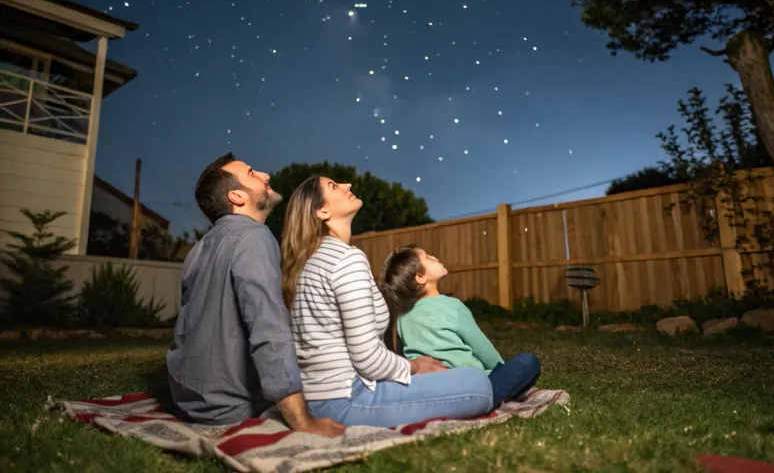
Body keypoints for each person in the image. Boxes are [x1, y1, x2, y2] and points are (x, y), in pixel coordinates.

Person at [281, 176, 494, 428]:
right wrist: (414, 366)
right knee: (478, 385)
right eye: (335, 187)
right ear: (322, 211)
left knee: (456, 378)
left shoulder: (314, 259)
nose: (348, 185)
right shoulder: (346, 260)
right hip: (347, 400)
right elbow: (367, 358)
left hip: (319, 398)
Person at [166, 153, 343, 437]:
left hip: (191, 401)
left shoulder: (198, 249)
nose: (265, 175)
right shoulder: (254, 237)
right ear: (237, 196)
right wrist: (303, 422)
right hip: (231, 406)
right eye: (252, 173)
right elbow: (268, 327)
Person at [381, 244, 541, 410]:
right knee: (528, 362)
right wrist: (501, 370)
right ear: (420, 277)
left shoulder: (403, 317)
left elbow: (403, 353)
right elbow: (482, 347)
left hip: (429, 389)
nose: (434, 257)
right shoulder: (452, 306)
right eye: (428, 258)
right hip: (472, 386)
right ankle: (487, 400)